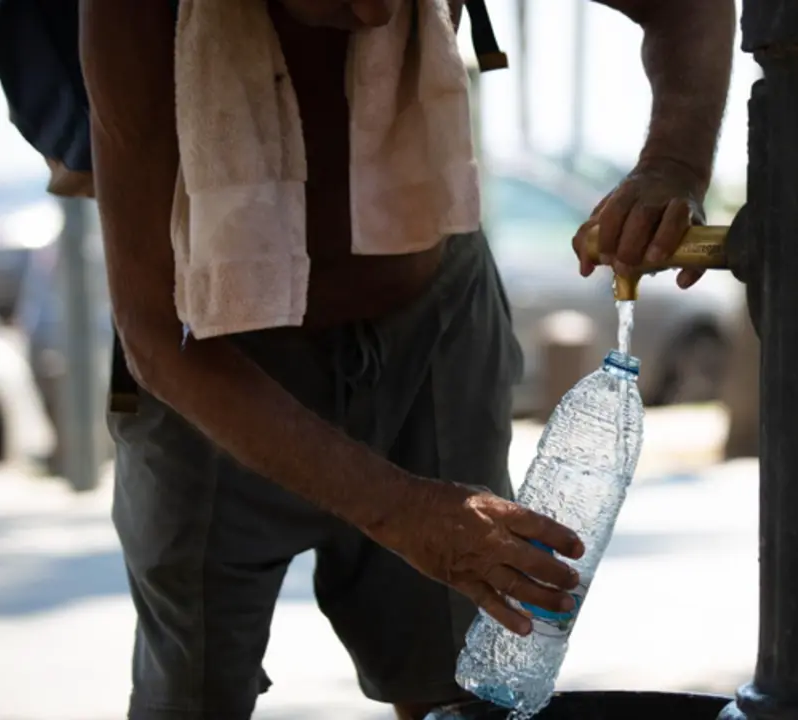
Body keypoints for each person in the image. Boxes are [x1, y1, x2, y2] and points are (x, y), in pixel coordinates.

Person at [80, 1, 735, 718]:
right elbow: (151, 337)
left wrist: (673, 164)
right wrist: (398, 509)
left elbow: (692, 8)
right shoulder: (132, 14)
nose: (374, 10)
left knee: (469, 686)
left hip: (431, 316)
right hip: (214, 356)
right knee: (190, 692)